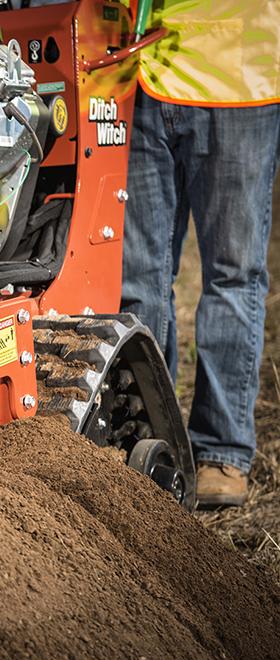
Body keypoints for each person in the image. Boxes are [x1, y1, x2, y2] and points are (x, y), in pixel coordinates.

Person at [121, 0, 279, 507]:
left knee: (233, 274)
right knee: (138, 278)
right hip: (139, 73)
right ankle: (150, 442)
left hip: (237, 78)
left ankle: (221, 451)